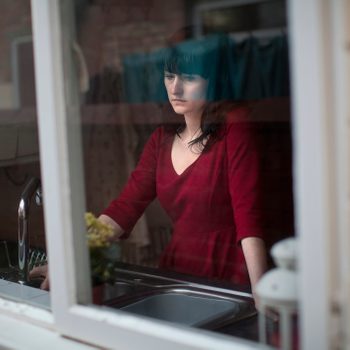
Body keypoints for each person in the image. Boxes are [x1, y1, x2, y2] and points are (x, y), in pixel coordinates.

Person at [31, 34, 268, 305]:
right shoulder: (161, 138)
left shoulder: (234, 130)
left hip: (230, 270)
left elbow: (248, 218)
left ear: (213, 79)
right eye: (169, 76)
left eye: (188, 77)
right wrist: (70, 263)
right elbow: (125, 207)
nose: (175, 89)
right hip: (178, 270)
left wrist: (261, 290)